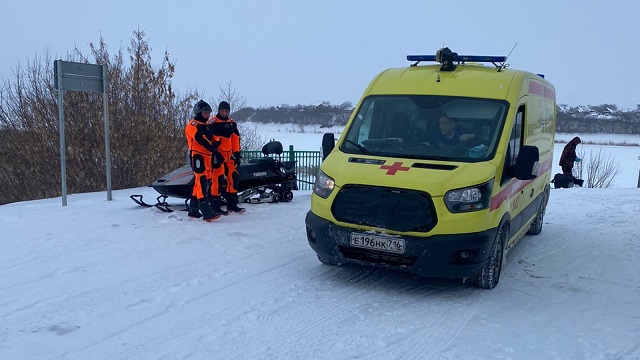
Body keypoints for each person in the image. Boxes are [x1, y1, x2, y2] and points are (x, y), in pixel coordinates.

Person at [184, 100, 221, 222]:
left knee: (200, 182)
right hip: (198, 155)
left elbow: (215, 138)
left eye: (209, 113)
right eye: (205, 112)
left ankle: (193, 210)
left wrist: (215, 144)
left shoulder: (207, 125)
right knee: (201, 182)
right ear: (199, 112)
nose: (208, 115)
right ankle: (206, 211)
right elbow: (200, 139)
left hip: (207, 156)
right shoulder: (193, 124)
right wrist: (213, 148)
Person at [207, 101, 246, 214]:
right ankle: (215, 207)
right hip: (217, 155)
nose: (224, 113)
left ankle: (232, 205)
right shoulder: (212, 122)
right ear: (219, 110)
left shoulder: (232, 123)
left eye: (226, 111)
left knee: (234, 179)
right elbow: (209, 139)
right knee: (217, 180)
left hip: (229, 156)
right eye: (222, 111)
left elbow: (235, 139)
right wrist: (214, 154)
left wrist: (237, 154)